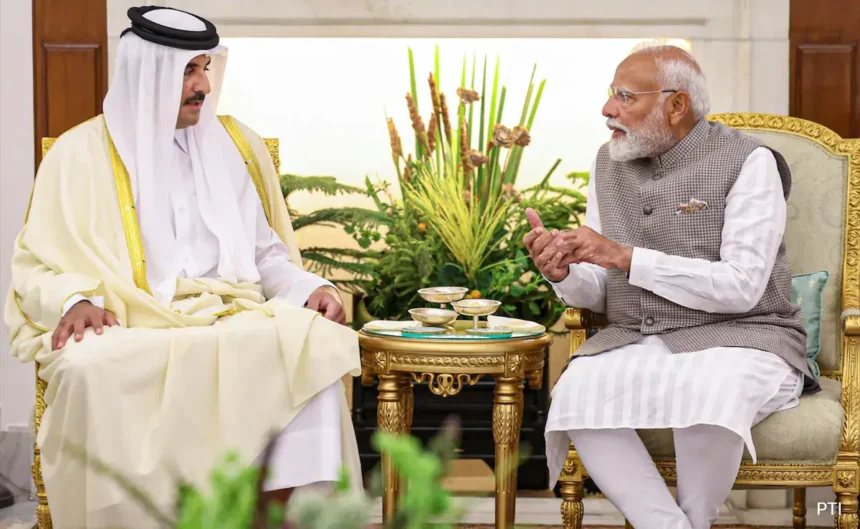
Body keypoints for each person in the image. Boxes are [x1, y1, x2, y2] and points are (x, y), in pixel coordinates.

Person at [4, 6, 361, 527]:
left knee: (317, 346)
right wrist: (75, 301)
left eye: (205, 69)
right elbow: (38, 261)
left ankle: (270, 517)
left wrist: (311, 287)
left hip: (232, 317)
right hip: (132, 324)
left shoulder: (235, 145)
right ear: (148, 75)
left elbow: (265, 257)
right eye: (188, 72)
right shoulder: (78, 154)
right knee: (87, 367)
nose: (202, 86)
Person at [525, 45, 817, 529]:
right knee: (579, 389)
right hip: (641, 338)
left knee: (710, 388)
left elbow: (743, 287)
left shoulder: (750, 162)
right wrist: (565, 272)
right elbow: (603, 289)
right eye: (610, 95)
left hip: (748, 336)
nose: (607, 110)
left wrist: (624, 255)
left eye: (624, 97)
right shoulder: (609, 162)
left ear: (676, 105)